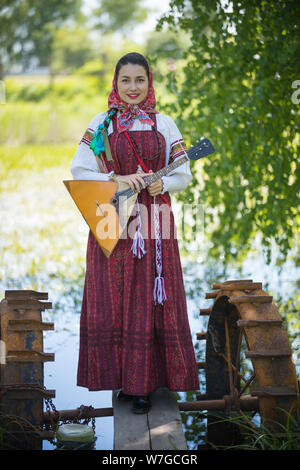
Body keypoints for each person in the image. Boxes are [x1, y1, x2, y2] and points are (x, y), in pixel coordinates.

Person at [71, 52, 199, 414]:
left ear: (149, 82)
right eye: (125, 80)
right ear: (115, 82)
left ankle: (146, 385)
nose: (132, 88)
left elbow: (184, 173)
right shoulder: (101, 124)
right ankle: (125, 380)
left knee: (150, 293)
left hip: (154, 217)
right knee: (113, 293)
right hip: (111, 217)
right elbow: (80, 169)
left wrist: (165, 184)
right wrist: (115, 178)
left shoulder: (165, 123)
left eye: (139, 80)